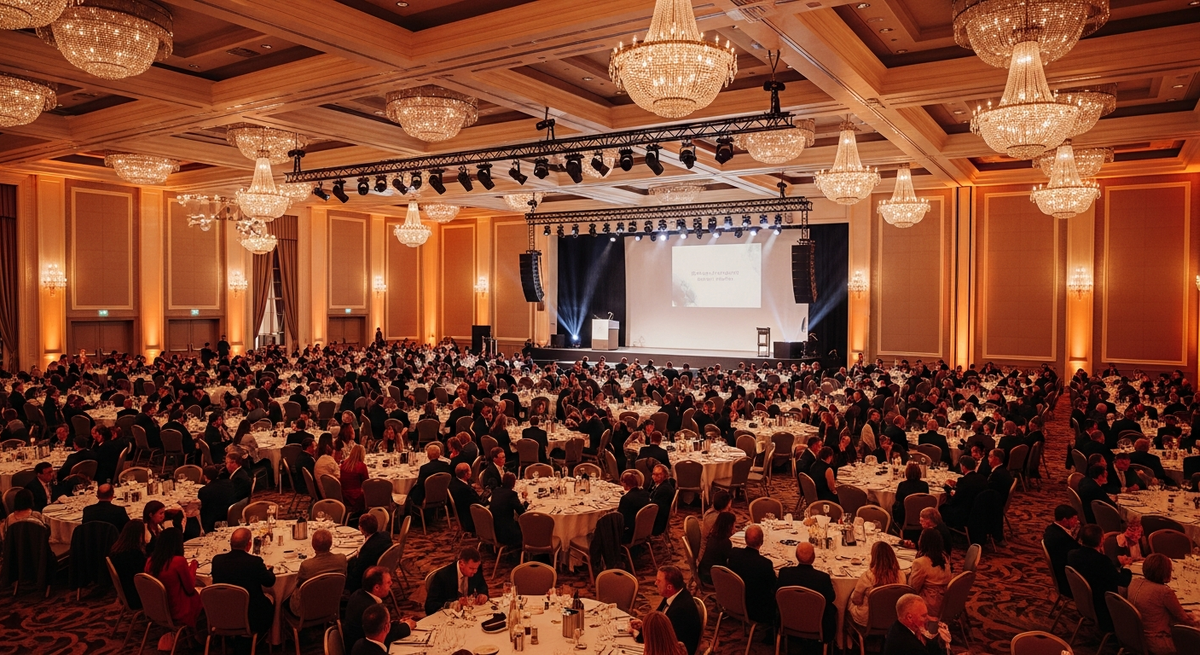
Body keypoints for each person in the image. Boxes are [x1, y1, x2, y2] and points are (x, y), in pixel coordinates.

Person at [1127, 553, 1199, 655]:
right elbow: (1184, 619)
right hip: (1157, 641)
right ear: (1166, 571)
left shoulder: (1134, 582)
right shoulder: (1164, 592)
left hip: (1136, 636)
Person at [210, 527, 277, 635]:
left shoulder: (217, 560)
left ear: (230, 544)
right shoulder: (254, 562)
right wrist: (270, 570)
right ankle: (272, 637)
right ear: (249, 544)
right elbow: (269, 582)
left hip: (223, 614)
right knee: (273, 598)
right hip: (252, 618)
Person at [1066, 524, 1131, 632]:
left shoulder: (1072, 555)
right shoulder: (1102, 561)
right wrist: (1126, 566)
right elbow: (1124, 581)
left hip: (1084, 599)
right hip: (1104, 605)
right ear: (1101, 541)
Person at [144, 527, 202, 649]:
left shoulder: (150, 561)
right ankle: (203, 635)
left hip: (157, 608)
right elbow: (190, 589)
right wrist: (193, 567)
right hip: (177, 609)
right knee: (205, 592)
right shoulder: (178, 561)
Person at [344, 565, 416, 651]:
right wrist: (407, 626)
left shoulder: (358, 594)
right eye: (388, 582)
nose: (391, 583)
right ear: (377, 587)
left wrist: (397, 623)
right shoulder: (370, 609)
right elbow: (383, 635)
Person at [630, 567, 700, 655]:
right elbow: (658, 618)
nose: (655, 583)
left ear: (669, 587)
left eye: (659, 581)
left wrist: (637, 634)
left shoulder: (681, 609)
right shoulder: (673, 595)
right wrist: (644, 626)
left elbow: (663, 639)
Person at [777, 542, 836, 644]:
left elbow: (775, 593)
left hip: (788, 621)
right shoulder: (822, 579)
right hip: (817, 624)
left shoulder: (784, 573)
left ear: (796, 556)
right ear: (813, 557)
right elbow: (831, 598)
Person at [288, 528, 348, 615]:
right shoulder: (341, 559)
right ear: (331, 543)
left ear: (313, 545)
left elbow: (296, 585)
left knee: (284, 597)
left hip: (306, 610)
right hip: (331, 604)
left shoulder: (307, 566)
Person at [725, 524, 777, 624]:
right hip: (757, 610)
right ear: (762, 542)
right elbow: (773, 586)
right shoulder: (765, 564)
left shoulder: (734, 553)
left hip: (734, 602)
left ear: (745, 540)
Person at [850, 541, 907, 627]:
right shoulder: (901, 575)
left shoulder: (868, 576)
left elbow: (856, 600)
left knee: (848, 599)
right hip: (892, 618)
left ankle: (842, 631)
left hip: (869, 620)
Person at [423, 546, 489, 615]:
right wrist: (452, 605)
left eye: (476, 568)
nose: (475, 571)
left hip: (470, 613)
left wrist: (483, 594)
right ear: (461, 564)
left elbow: (482, 586)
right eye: (471, 569)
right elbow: (430, 605)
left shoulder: (475, 568)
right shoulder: (442, 576)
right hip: (449, 616)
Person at [883, 594, 951, 655]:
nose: (928, 619)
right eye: (923, 616)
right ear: (909, 617)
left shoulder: (897, 626)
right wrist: (943, 646)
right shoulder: (909, 645)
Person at [908, 529, 952, 618]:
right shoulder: (945, 557)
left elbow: (912, 589)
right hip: (945, 601)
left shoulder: (920, 562)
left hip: (930, 605)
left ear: (922, 542)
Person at [108, 519, 148, 611]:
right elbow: (144, 575)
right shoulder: (134, 554)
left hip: (125, 592)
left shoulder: (116, 549)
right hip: (136, 596)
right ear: (139, 535)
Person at [1042, 504, 1081, 598]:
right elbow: (1076, 558)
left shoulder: (1051, 529)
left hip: (1062, 570)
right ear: (1064, 520)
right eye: (1074, 519)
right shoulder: (1061, 539)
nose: (1077, 522)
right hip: (1068, 582)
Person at [348, 513, 390, 592]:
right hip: (382, 567)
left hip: (368, 577)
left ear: (362, 529)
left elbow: (357, 571)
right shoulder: (386, 535)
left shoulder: (367, 549)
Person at [940, 456, 985, 530]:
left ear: (963, 467)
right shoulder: (982, 478)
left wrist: (949, 490)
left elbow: (954, 501)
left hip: (965, 514)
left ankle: (946, 530)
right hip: (980, 512)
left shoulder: (963, 481)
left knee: (942, 507)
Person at [489, 472, 527, 547]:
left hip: (493, 529)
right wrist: (525, 501)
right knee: (527, 527)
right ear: (513, 483)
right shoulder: (512, 494)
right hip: (506, 533)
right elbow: (522, 513)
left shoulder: (496, 491)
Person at [197, 465, 237, 533]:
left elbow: (203, 508)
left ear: (205, 477)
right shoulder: (229, 483)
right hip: (229, 514)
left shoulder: (204, 491)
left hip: (212, 519)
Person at [698, 511, 735, 585]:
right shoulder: (725, 542)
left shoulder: (712, 537)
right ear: (729, 526)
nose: (734, 528)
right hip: (712, 578)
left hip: (703, 572)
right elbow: (730, 561)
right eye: (734, 525)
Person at [893, 462, 929, 535]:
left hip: (905, 517)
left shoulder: (902, 485)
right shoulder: (924, 485)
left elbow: (897, 499)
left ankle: (895, 528)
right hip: (921, 515)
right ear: (919, 473)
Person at [448, 463, 483, 534]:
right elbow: (478, 503)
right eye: (470, 470)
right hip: (470, 519)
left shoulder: (453, 481)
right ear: (466, 474)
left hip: (462, 513)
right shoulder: (464, 489)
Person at [617, 470, 651, 543]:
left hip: (630, 534)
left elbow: (620, 520)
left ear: (625, 484)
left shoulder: (626, 498)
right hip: (644, 528)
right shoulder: (645, 494)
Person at [340, 444, 370, 514]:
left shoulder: (344, 464)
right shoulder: (361, 466)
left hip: (344, 495)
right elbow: (366, 483)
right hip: (356, 497)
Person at [648, 464, 675, 535]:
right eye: (653, 474)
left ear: (665, 475)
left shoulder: (664, 489)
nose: (655, 476)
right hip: (658, 517)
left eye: (658, 474)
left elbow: (654, 507)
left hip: (657, 523)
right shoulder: (660, 484)